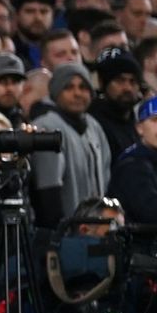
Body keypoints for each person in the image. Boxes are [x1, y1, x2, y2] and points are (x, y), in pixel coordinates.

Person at [30, 62, 111, 228]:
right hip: (61, 231)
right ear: (56, 92)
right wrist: (57, 234)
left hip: (92, 229)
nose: (77, 93)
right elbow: (48, 191)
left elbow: (106, 174)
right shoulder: (46, 126)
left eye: (83, 87)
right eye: (68, 87)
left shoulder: (93, 125)